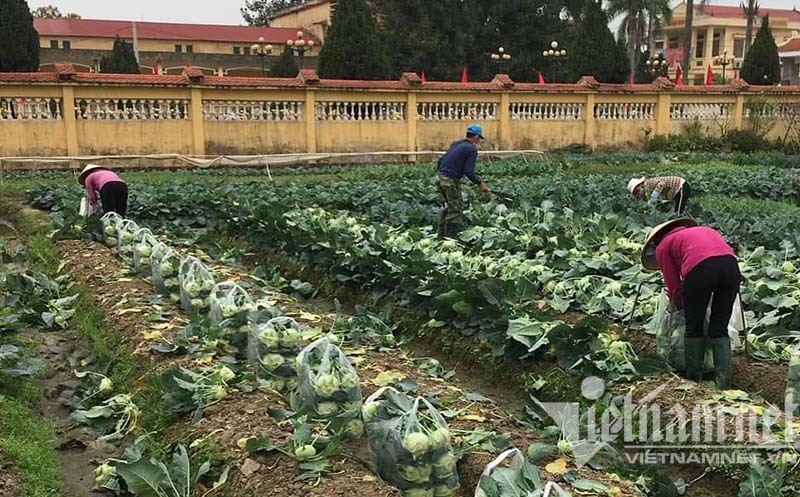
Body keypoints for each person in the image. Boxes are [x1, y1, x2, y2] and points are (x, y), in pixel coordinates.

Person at [642, 218, 740, 389]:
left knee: (693, 327)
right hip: (731, 268)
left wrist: (680, 307)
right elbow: (720, 254)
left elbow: (673, 287)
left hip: (701, 270)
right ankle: (723, 383)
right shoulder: (705, 230)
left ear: (656, 241)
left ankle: (695, 381)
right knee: (719, 328)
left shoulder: (664, 246)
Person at [435, 124, 490, 238]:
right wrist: (480, 183)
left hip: (440, 177)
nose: (479, 141)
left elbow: (440, 161)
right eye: (479, 138)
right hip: (449, 180)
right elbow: (469, 171)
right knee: (456, 209)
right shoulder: (471, 149)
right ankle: (450, 239)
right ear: (475, 137)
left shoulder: (456, 144)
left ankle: (440, 235)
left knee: (450, 206)